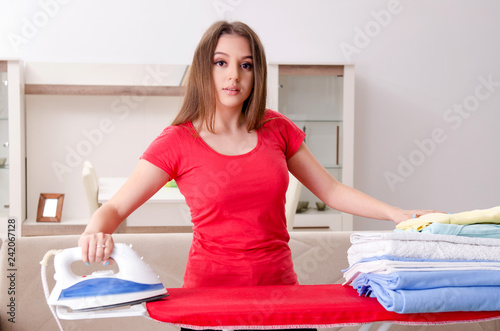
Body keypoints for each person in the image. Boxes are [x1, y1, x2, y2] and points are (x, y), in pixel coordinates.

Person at [79, 21, 438, 288]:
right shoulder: (176, 141)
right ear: (205, 68)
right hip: (208, 297)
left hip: (279, 290)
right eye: (221, 62)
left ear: (257, 73)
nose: (233, 75)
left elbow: (331, 191)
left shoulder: (277, 128)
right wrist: (95, 231)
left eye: (245, 65)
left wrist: (397, 213)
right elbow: (113, 208)